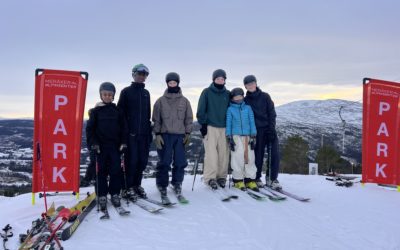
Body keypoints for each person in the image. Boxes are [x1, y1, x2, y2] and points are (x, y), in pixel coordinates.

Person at [86, 82, 128, 212]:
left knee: (115, 170)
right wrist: (93, 144)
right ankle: (102, 195)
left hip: (115, 147)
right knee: (100, 172)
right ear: (101, 95)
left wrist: (123, 142)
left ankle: (115, 193)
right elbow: (90, 130)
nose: (107, 96)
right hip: (100, 147)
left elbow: (124, 129)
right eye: (105, 94)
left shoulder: (118, 111)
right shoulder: (95, 111)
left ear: (113, 96)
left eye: (110, 95)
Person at [152, 72, 193, 203]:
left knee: (180, 162)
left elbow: (188, 119)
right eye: (170, 83)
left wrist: (188, 133)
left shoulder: (185, 101)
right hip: (165, 135)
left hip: (180, 136)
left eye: (174, 82)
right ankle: (162, 184)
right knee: (164, 161)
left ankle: (177, 182)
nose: (172, 84)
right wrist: (157, 134)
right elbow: (156, 119)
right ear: (167, 84)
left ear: (178, 83)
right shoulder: (160, 101)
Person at [117, 64, 152, 200]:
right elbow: (121, 114)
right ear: (133, 74)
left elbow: (147, 115)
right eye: (139, 74)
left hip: (143, 134)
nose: (142, 76)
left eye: (144, 75)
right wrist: (124, 134)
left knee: (142, 161)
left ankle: (137, 185)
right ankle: (127, 187)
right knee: (131, 161)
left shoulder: (146, 93)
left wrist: (148, 133)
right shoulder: (126, 91)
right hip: (130, 135)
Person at [243, 75, 281, 190]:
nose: (250, 85)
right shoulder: (245, 101)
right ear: (245, 86)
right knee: (257, 156)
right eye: (248, 84)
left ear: (256, 83)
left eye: (252, 83)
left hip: (269, 129)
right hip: (255, 131)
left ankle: (272, 178)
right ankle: (257, 177)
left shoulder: (265, 97)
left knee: (274, 154)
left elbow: (272, 113)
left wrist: (271, 129)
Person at [196, 69, 230, 190]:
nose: (220, 81)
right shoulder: (206, 92)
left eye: (222, 79)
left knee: (223, 154)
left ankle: (221, 177)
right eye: (218, 79)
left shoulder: (228, 94)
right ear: (213, 79)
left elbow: (231, 112)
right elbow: (201, 110)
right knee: (211, 154)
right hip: (210, 126)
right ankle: (210, 178)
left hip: (225, 128)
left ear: (225, 80)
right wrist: (203, 125)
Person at [226, 88, 258, 191]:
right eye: (236, 97)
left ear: (243, 96)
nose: (238, 98)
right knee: (237, 157)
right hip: (236, 136)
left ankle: (250, 180)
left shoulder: (248, 108)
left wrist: (253, 135)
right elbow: (229, 123)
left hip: (248, 136)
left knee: (250, 158)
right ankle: (238, 181)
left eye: (240, 96)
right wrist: (229, 137)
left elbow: (252, 121)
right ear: (232, 98)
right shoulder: (230, 109)